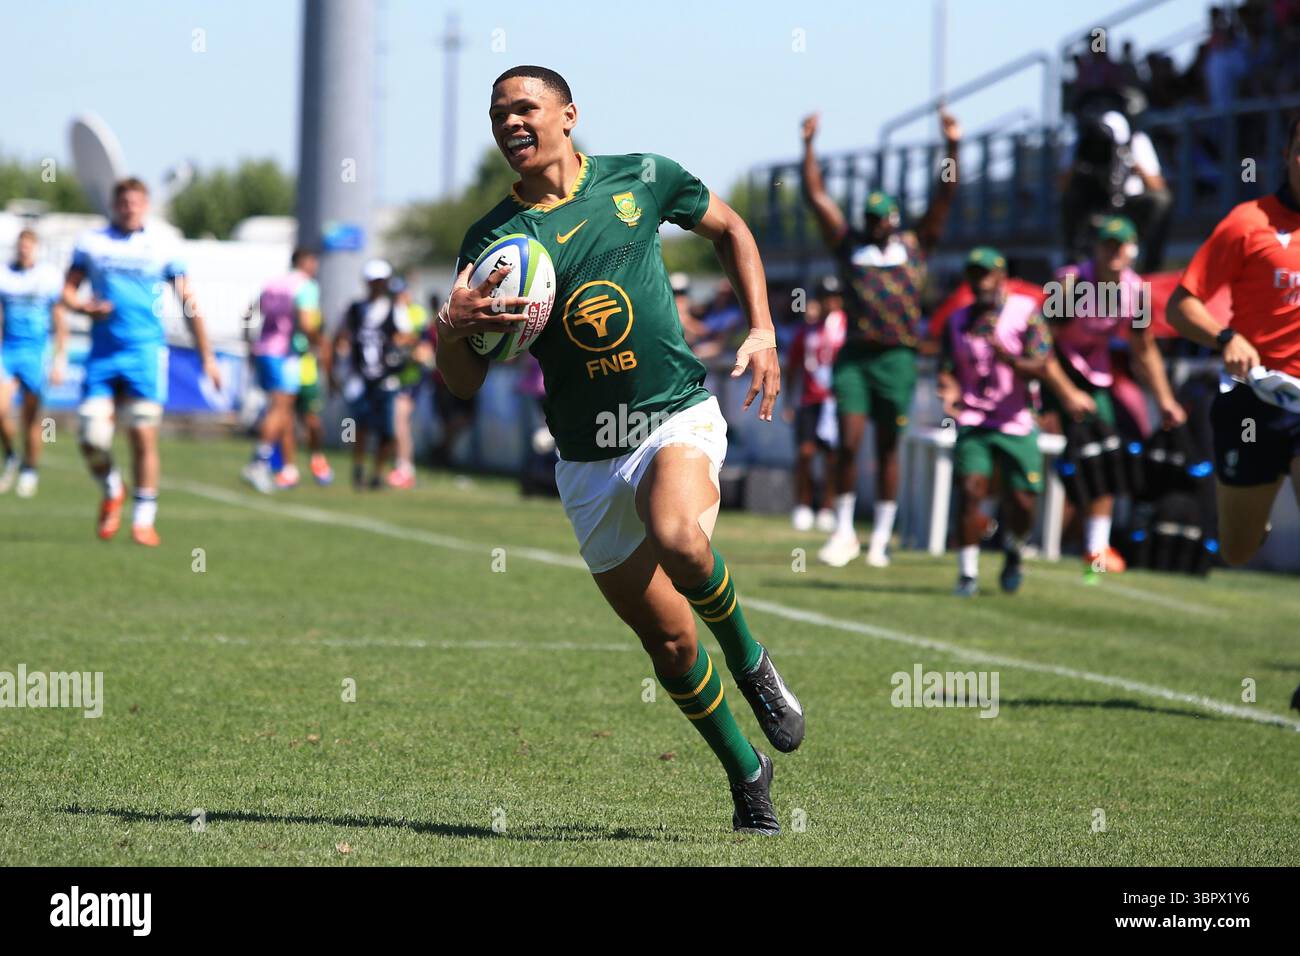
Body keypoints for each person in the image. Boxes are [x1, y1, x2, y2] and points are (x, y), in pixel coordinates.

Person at [436, 65, 799, 834]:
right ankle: (746, 772)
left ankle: (751, 661)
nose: (510, 124)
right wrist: (453, 327)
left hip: (673, 416)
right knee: (668, 643)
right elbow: (463, 381)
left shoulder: (643, 177)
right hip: (587, 457)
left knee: (678, 535)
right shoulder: (491, 243)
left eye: (524, 108)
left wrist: (762, 328)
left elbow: (732, 230)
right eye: (498, 114)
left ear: (568, 114)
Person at [800, 105, 962, 567]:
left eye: (883, 220)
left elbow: (945, 197)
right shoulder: (851, 246)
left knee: (889, 446)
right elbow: (816, 196)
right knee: (849, 442)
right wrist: (809, 145)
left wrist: (953, 145)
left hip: (898, 358)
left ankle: (881, 538)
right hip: (856, 356)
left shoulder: (914, 246)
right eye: (871, 220)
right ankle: (846, 529)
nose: (877, 227)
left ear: (893, 219)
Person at [1167, 112, 1300, 574]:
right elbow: (1179, 306)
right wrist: (1227, 336)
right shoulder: (1248, 223)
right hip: (1255, 401)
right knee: (1237, 548)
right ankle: (1250, 519)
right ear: (1286, 156)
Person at [61, 178, 221, 546]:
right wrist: (84, 306)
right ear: (114, 205)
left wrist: (207, 356)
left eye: (136, 202)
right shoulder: (93, 243)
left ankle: (143, 519)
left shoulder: (162, 246)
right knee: (90, 434)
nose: (130, 207)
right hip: (103, 354)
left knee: (142, 434)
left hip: (145, 353)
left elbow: (188, 302)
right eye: (124, 202)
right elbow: (67, 291)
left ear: (145, 205)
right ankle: (112, 486)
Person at [1041, 215, 1185, 575]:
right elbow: (1040, 343)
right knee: (1038, 450)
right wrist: (1066, 391)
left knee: (1107, 453)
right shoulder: (1071, 283)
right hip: (1050, 370)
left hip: (1093, 374)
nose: (1113, 253)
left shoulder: (1135, 291)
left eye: (1120, 246)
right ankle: (1012, 532)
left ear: (1132, 250)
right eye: (1107, 245)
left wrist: (1165, 399)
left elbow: (1144, 349)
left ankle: (1096, 547)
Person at [938, 248, 1053, 597]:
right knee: (971, 490)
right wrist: (949, 392)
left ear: (1002, 276)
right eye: (975, 274)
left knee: (1022, 501)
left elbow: (1042, 364)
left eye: (987, 273)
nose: (981, 281)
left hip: (1016, 419)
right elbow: (946, 370)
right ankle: (967, 573)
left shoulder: (1025, 313)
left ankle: (1014, 551)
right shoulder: (957, 321)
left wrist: (1008, 357)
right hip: (975, 418)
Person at [242, 247, 320, 494]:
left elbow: (248, 314)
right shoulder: (305, 286)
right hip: (285, 355)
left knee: (282, 412)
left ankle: (288, 468)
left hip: (264, 350)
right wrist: (319, 343)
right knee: (279, 409)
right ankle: (259, 462)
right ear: (304, 261)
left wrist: (250, 345)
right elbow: (307, 323)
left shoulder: (273, 283)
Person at [331, 259, 413, 490]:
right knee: (358, 427)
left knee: (387, 430)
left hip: (386, 378)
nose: (377, 286)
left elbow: (407, 336)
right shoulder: (354, 308)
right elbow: (340, 335)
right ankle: (357, 468)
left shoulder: (394, 308)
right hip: (359, 376)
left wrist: (398, 345)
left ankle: (377, 473)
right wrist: (339, 361)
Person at [0, 229, 66, 497]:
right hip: (9, 350)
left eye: (29, 246)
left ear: (36, 248)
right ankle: (11, 455)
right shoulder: (5, 275)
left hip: (37, 352)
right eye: (21, 246)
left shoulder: (48, 278)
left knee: (32, 418)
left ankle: (30, 468)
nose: (24, 250)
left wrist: (59, 359)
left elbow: (60, 321)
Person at [784, 275, 845, 532]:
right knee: (805, 453)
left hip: (835, 399)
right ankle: (803, 504)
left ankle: (828, 506)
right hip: (810, 399)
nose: (829, 303)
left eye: (833, 297)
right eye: (825, 298)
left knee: (831, 457)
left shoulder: (845, 326)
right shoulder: (807, 330)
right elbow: (794, 365)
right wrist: (788, 399)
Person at [388, 275, 431, 489]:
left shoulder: (416, 313)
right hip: (391, 377)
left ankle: (404, 467)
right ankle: (400, 464)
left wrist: (405, 341)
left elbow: (423, 348)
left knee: (400, 421)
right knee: (394, 422)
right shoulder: (388, 312)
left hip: (410, 377)